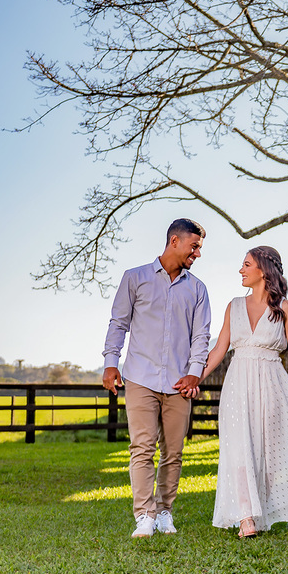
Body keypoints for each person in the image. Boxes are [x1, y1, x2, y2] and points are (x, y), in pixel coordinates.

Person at [199, 246, 288, 537]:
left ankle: (260, 510)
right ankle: (246, 518)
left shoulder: (286, 309)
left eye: (246, 264)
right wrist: (195, 379)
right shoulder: (233, 306)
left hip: (272, 383)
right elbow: (219, 349)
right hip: (238, 383)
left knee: (268, 452)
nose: (241, 270)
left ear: (263, 270)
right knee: (239, 449)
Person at [103, 218, 211, 538]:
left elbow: (201, 337)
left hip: (179, 383)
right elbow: (118, 323)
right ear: (174, 241)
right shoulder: (134, 278)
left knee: (173, 453)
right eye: (194, 246)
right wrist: (110, 363)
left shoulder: (198, 289)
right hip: (140, 377)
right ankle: (144, 516)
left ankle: (164, 512)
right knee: (142, 447)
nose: (197, 254)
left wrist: (194, 374)